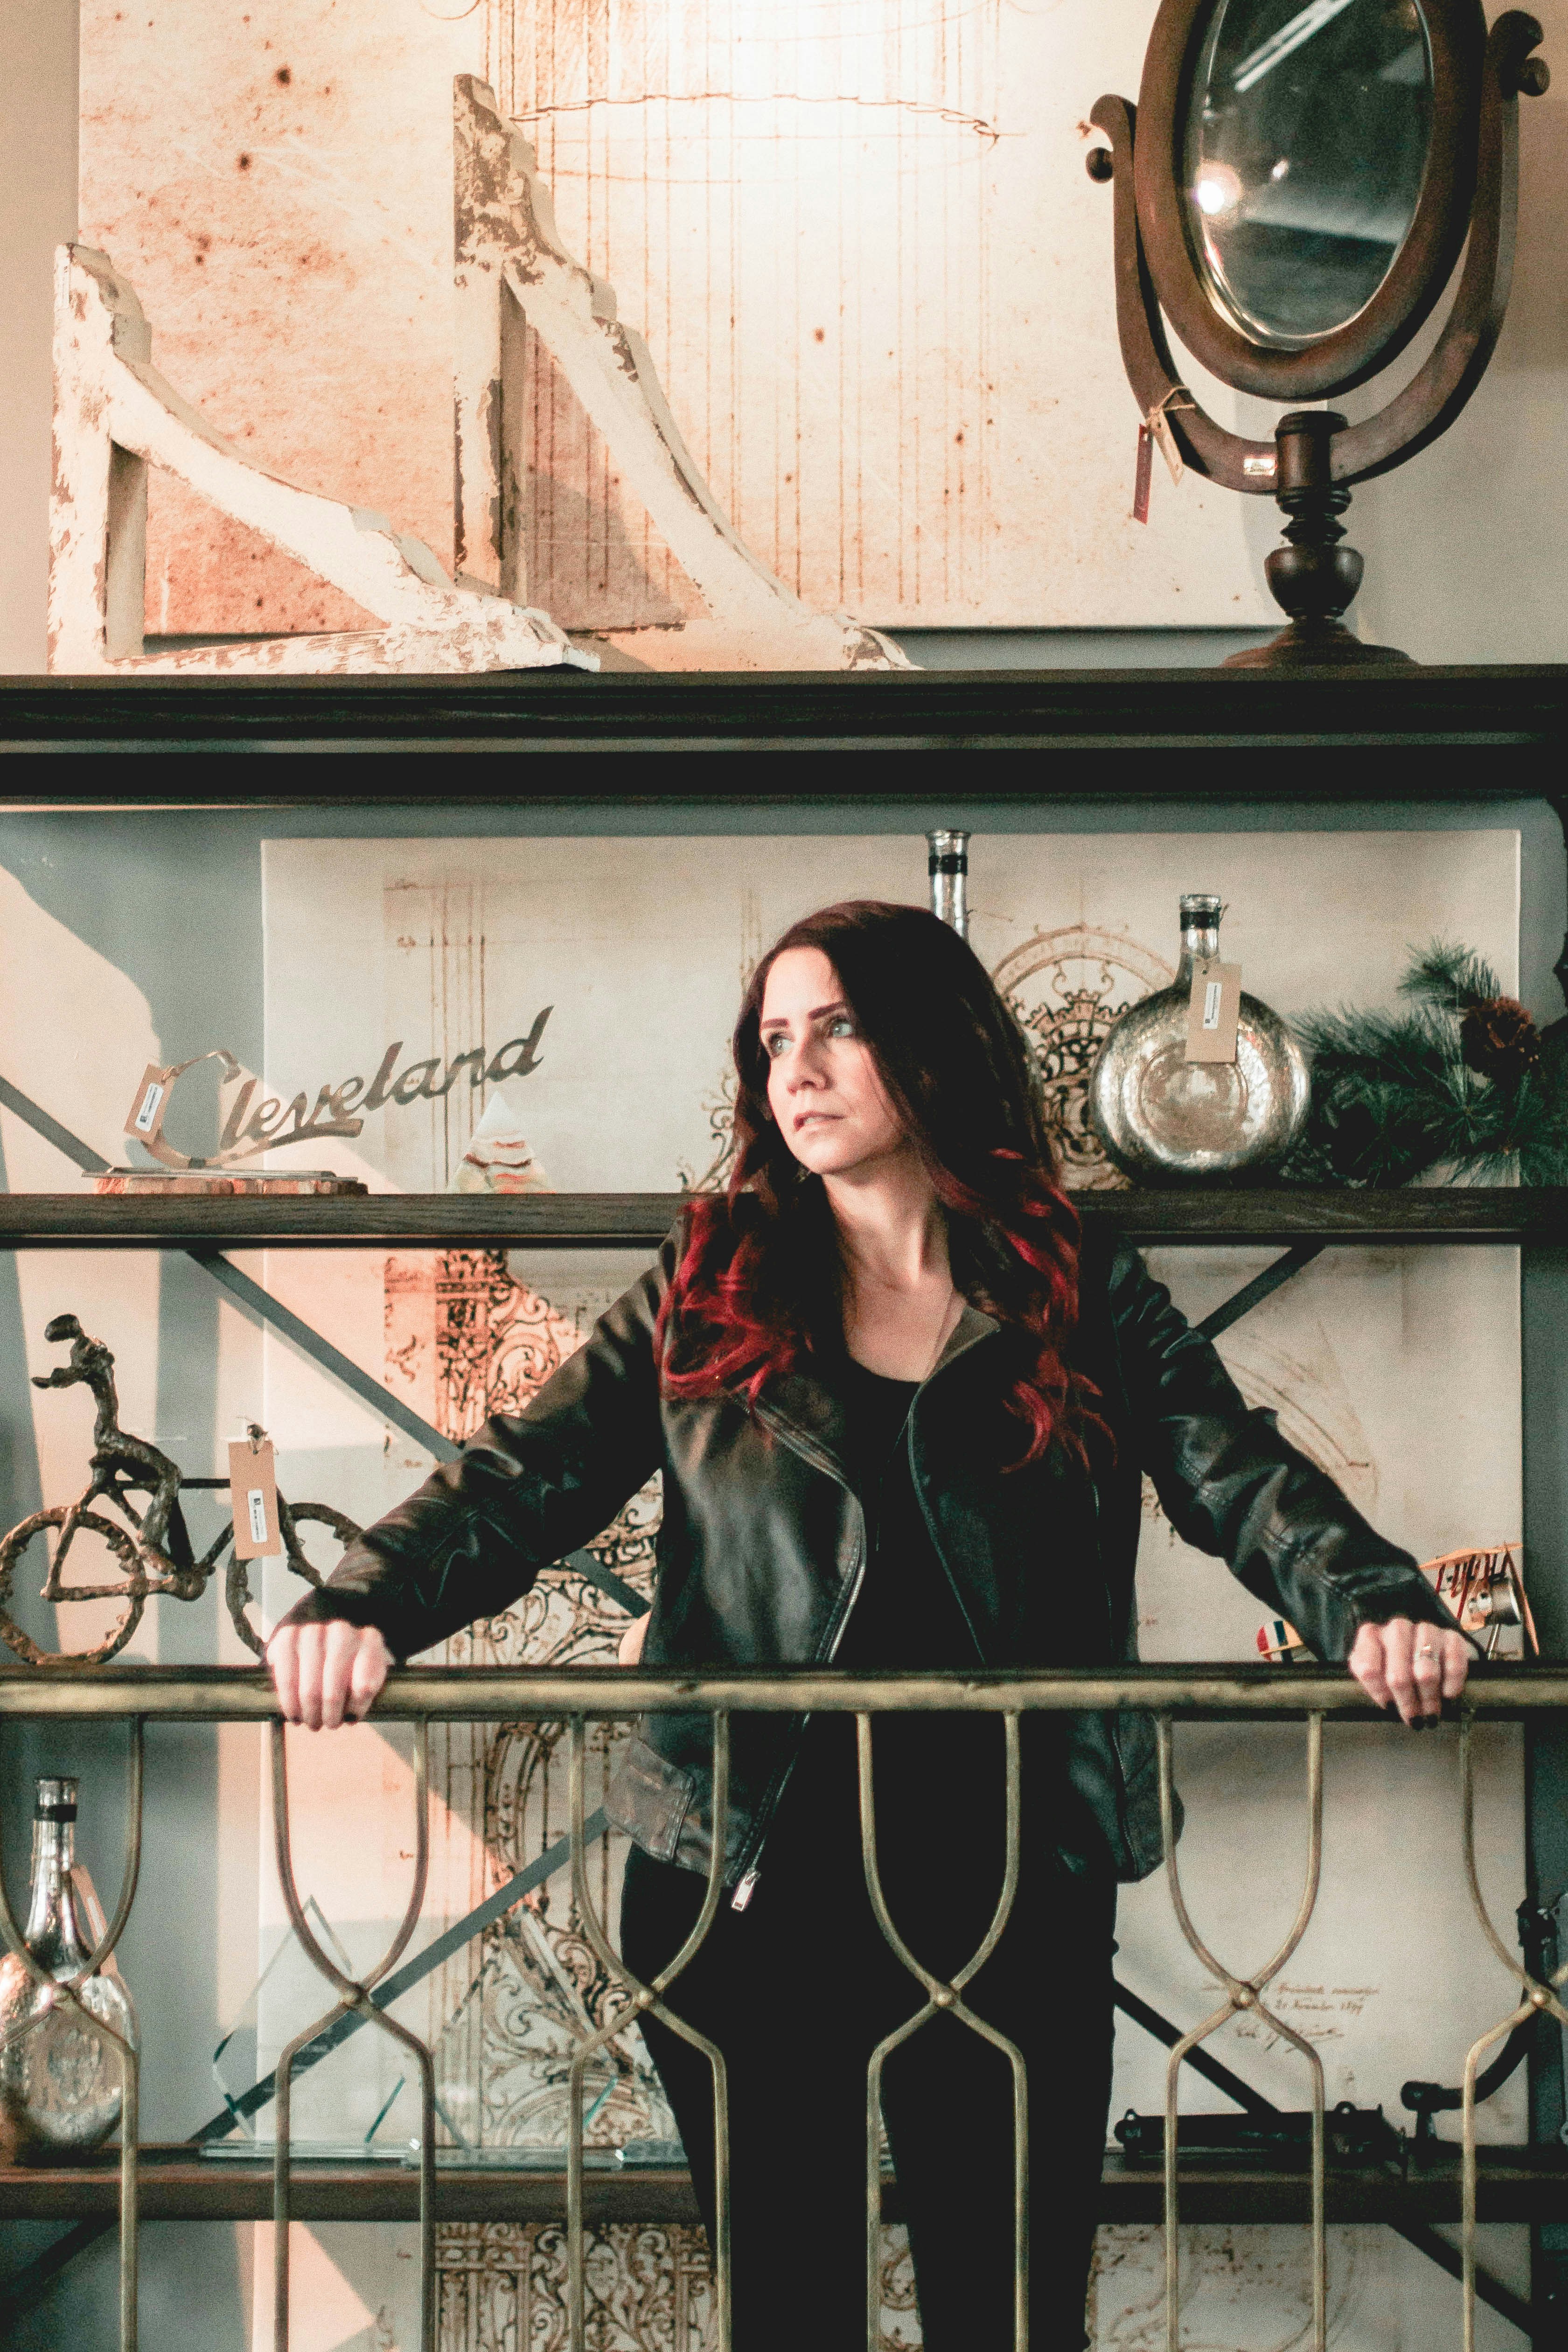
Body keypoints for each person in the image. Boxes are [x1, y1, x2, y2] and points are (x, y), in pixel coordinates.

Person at [267, 900, 1471, 2351]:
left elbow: (1235, 1470)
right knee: (790, 2315)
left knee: (1009, 2312)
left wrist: (1378, 1602)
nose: (798, 1065)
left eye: (836, 1024)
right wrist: (361, 1602)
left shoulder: (1070, 1276)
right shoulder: (708, 1273)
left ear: (934, 1044)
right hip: (749, 1872)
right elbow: (525, 1479)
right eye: (774, 1036)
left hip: (1010, 1875)